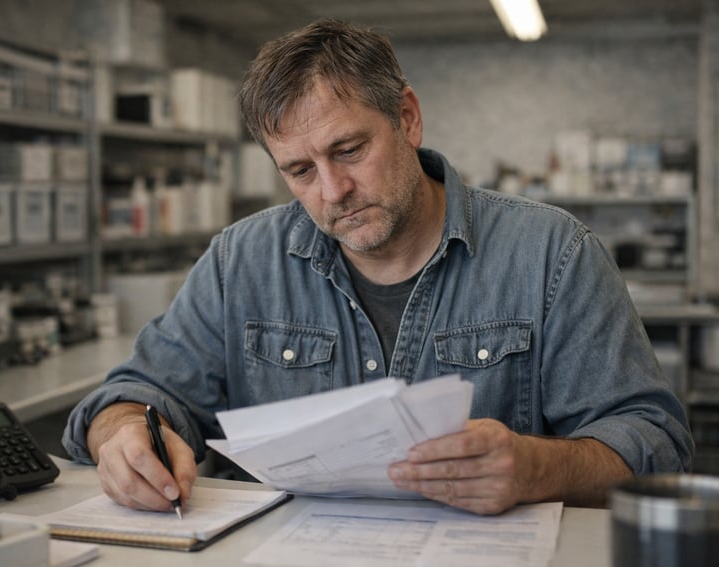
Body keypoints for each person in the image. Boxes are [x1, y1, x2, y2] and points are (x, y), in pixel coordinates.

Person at [63, 19, 694, 516]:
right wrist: (120, 436)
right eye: (300, 171)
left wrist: (536, 468)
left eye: (350, 149)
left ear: (408, 118)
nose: (332, 191)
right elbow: (139, 394)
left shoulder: (552, 253)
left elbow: (656, 442)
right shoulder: (241, 261)